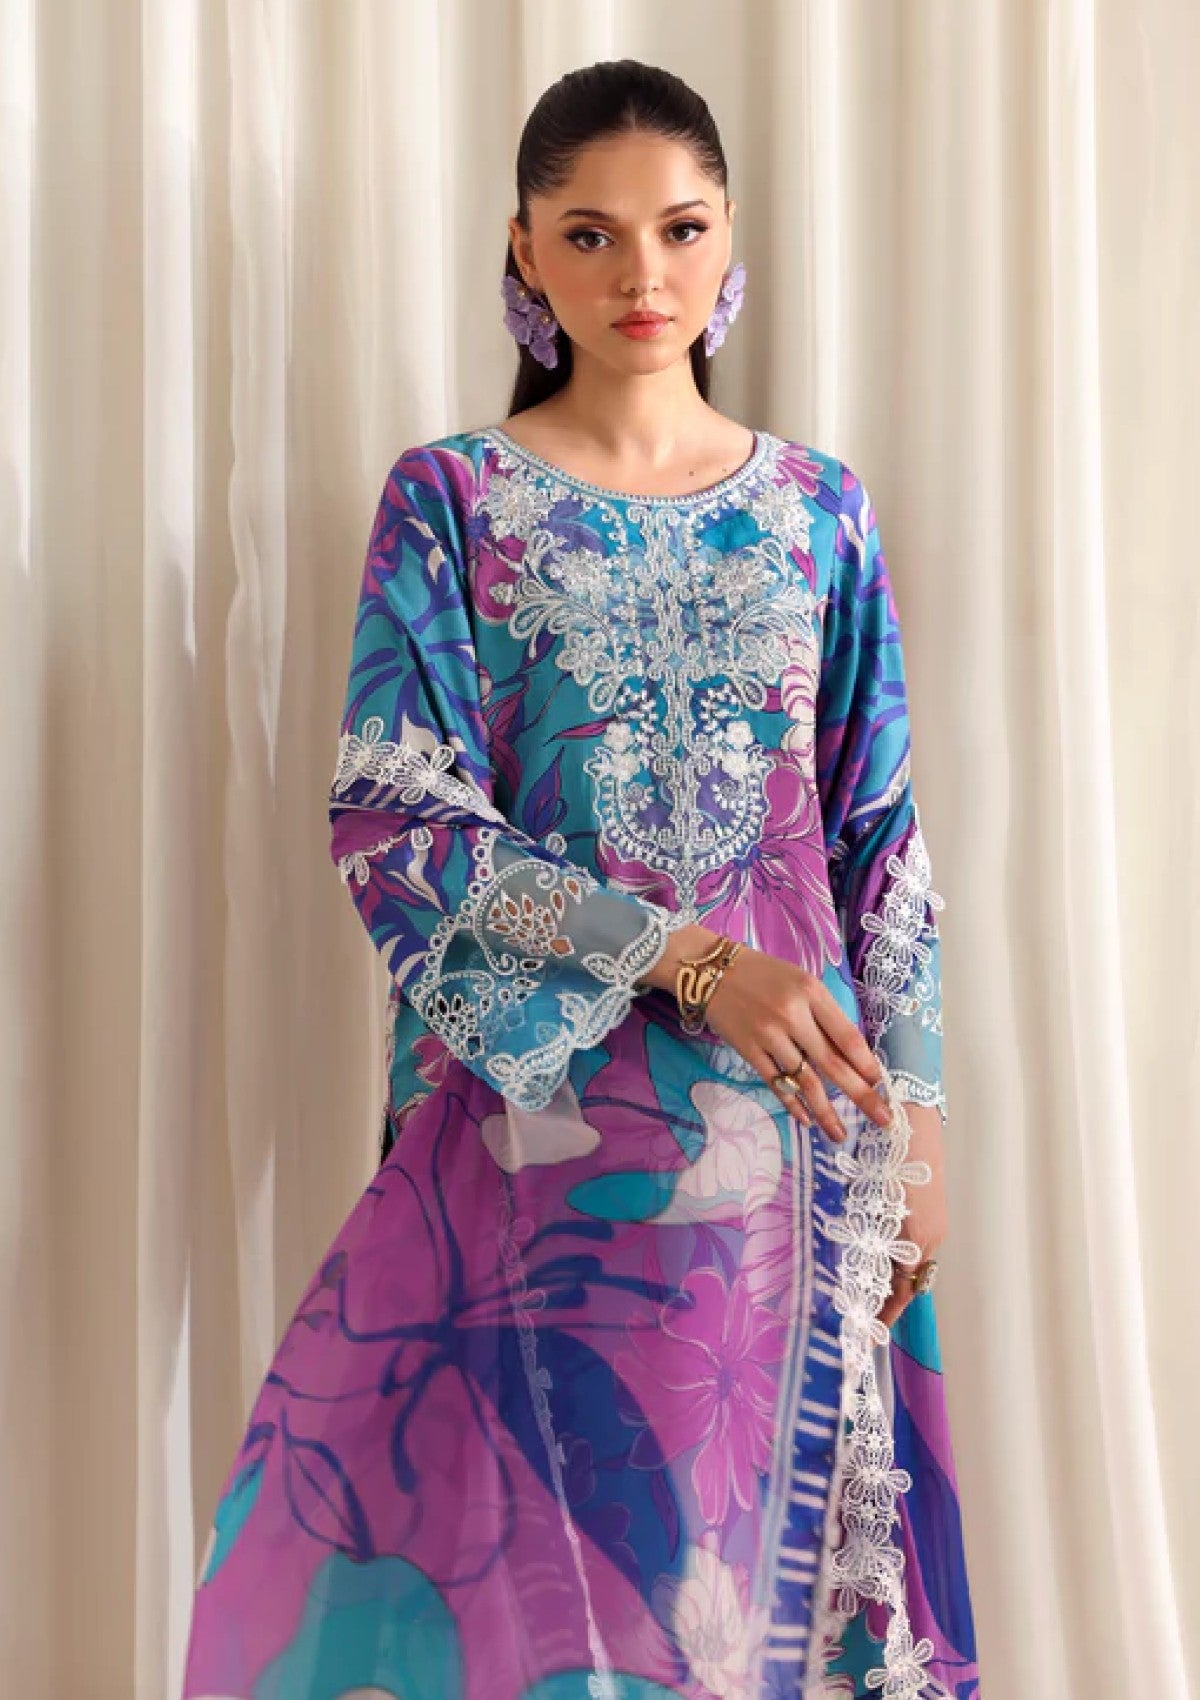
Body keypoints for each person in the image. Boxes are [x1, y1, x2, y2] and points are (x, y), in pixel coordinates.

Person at [182, 57, 980, 1700]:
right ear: (525, 251)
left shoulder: (819, 512)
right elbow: (398, 814)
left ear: (730, 236)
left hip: (801, 1137)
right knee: (562, 1590)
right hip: (538, 1131)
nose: (642, 275)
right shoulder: (452, 501)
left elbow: (881, 837)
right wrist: (694, 962)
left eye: (680, 229)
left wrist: (919, 1120)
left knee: (760, 1592)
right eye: (592, 234)